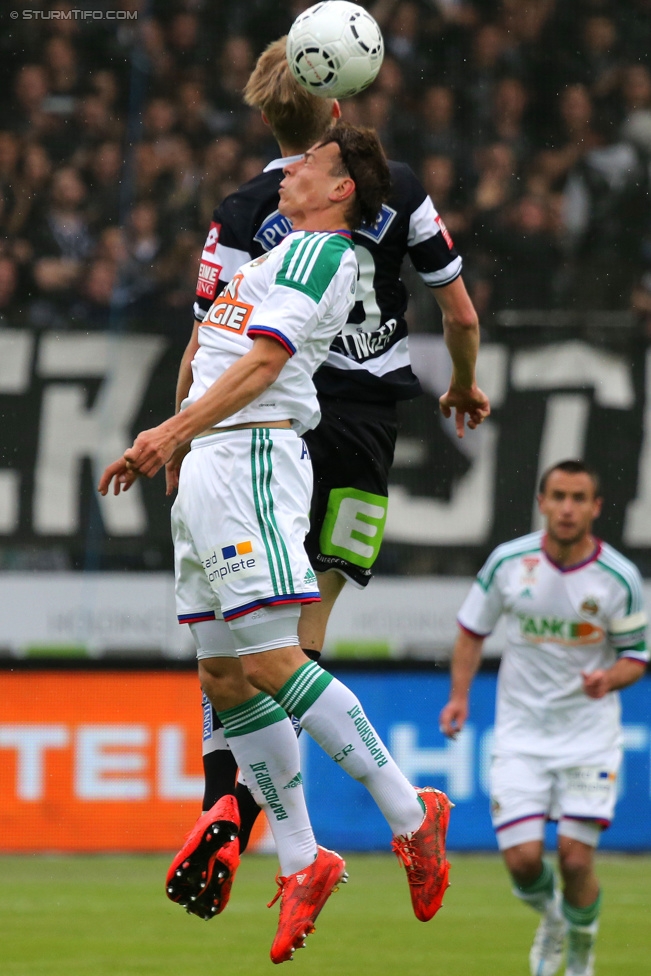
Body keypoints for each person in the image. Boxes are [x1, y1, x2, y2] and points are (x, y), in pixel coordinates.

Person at [99, 121, 458, 965]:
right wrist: (184, 444)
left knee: (270, 660)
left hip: (253, 452)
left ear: (340, 190)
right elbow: (210, 344)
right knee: (224, 676)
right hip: (208, 468)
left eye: (311, 164)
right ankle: (301, 858)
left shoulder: (322, 256)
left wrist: (169, 431)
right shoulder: (267, 255)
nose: (290, 171)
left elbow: (262, 365)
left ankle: (413, 816)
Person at [167, 36, 489, 898]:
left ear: (267, 116)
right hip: (362, 426)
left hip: (262, 419)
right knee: (302, 632)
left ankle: (231, 805)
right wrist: (460, 383)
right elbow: (456, 312)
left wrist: (179, 430)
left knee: (241, 639)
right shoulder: (401, 187)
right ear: (337, 104)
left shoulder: (241, 212)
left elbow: (209, 343)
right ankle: (299, 831)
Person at [439, 460, 648, 976]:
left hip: (588, 739)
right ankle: (554, 918)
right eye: (559, 496)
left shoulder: (619, 577)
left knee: (576, 859)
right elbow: (471, 631)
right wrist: (459, 697)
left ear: (596, 507)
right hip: (520, 736)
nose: (568, 508)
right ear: (542, 501)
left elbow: (636, 656)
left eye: (579, 497)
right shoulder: (509, 563)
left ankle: (581, 950)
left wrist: (609, 678)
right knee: (524, 861)